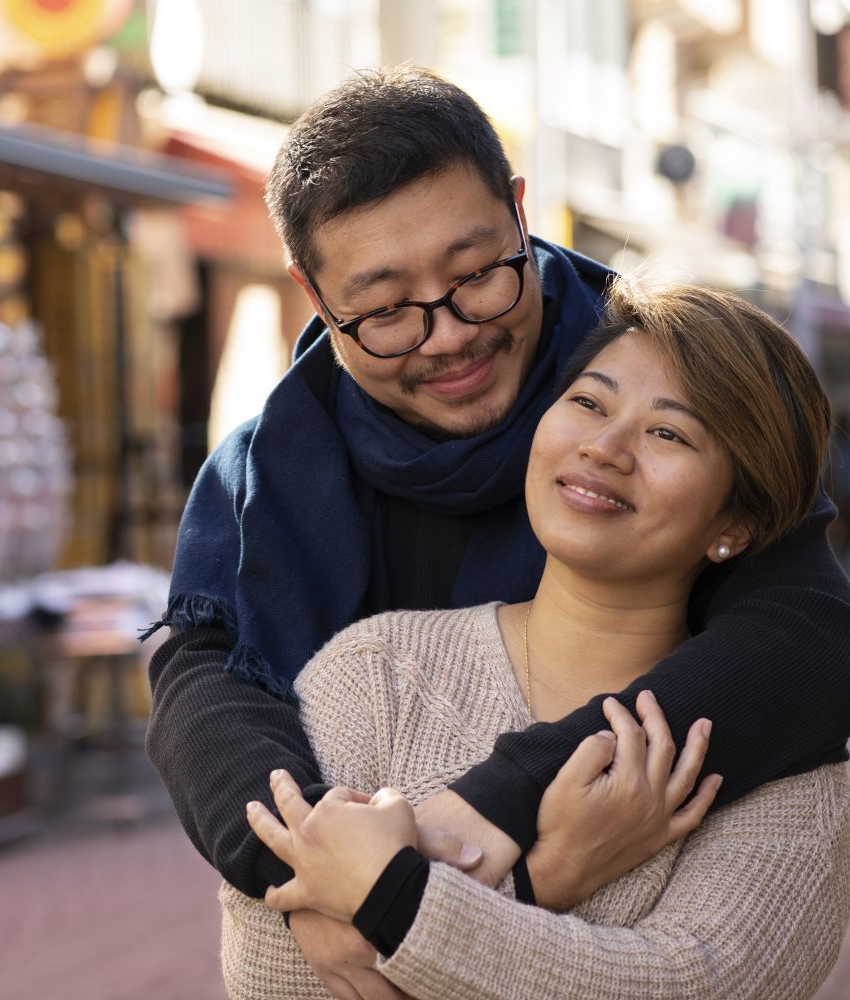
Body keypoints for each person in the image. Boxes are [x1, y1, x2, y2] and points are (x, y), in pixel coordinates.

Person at [144, 65, 850, 991]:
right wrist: (329, 874)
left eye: (478, 276)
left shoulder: (657, 368)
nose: (447, 335)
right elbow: (203, 684)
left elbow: (814, 639)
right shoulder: (272, 487)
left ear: (521, 213)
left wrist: (497, 810)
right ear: (316, 297)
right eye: (388, 308)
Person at [231, 281, 850, 998]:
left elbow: (696, 985)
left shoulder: (788, 765)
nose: (606, 447)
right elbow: (276, 975)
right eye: (589, 402)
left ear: (734, 526)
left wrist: (403, 903)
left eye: (669, 433)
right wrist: (545, 877)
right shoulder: (378, 671)